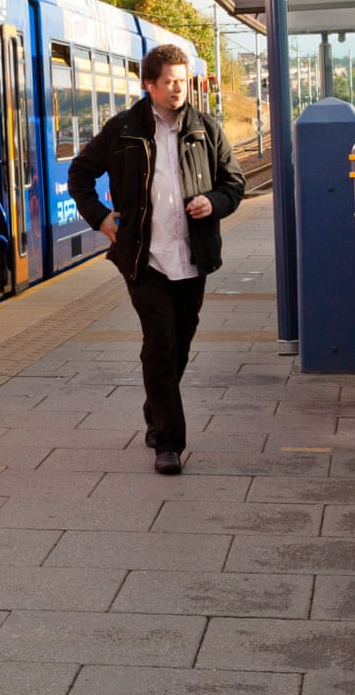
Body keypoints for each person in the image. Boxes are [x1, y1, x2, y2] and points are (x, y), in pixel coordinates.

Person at [67, 43, 244, 476]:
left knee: (179, 343)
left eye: (183, 81)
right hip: (143, 258)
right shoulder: (123, 129)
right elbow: (79, 174)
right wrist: (102, 218)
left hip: (193, 256)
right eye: (170, 82)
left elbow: (234, 182)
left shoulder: (205, 129)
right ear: (150, 85)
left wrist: (214, 203)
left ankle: (155, 406)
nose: (179, 88)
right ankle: (169, 443)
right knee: (160, 342)